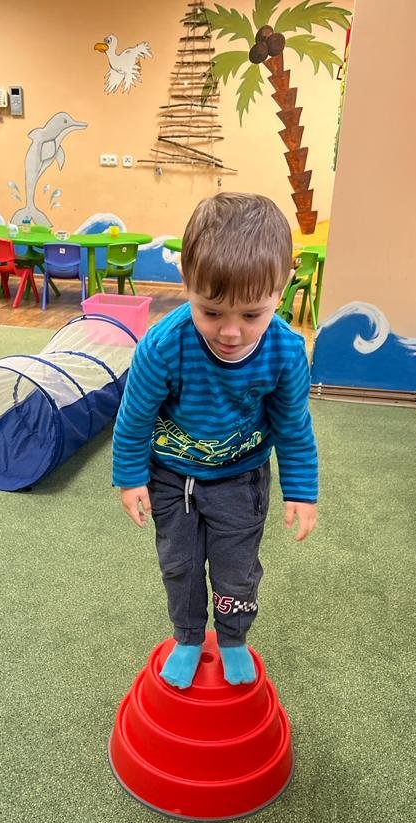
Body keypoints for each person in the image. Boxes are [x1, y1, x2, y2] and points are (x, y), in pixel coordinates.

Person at [112, 192, 318, 689]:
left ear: (281, 289)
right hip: (171, 479)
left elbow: (293, 427)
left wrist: (302, 491)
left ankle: (232, 638)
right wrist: (130, 479)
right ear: (187, 281)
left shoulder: (286, 352)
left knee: (236, 570)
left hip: (240, 481)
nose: (230, 332)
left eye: (251, 315)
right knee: (179, 565)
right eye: (211, 311)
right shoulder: (163, 344)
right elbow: (134, 417)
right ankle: (187, 637)